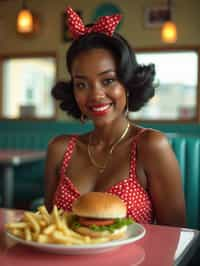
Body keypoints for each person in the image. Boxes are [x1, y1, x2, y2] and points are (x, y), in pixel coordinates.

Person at [44, 6, 186, 226]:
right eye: (81, 84)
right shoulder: (59, 149)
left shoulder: (150, 146)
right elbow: (48, 228)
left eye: (108, 80)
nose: (95, 95)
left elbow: (177, 236)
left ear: (127, 84)